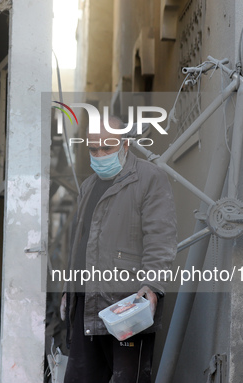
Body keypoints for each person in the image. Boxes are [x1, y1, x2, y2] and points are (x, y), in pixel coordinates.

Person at [62, 117, 177, 383]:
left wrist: (152, 285)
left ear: (125, 144)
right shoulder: (88, 186)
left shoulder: (150, 177)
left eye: (107, 148)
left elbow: (160, 236)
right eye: (93, 149)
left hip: (127, 303)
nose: (100, 155)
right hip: (85, 302)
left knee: (128, 378)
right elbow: (81, 245)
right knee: (80, 378)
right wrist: (68, 290)